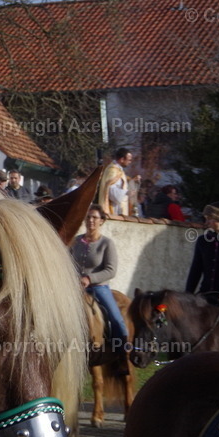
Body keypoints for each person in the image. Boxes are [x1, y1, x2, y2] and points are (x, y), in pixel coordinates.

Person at [70, 206, 128, 352]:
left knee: (115, 318)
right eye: (88, 217)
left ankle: (121, 350)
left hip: (99, 287)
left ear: (101, 221)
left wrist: (89, 278)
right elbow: (67, 263)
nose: (90, 220)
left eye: (94, 217)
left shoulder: (106, 244)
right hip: (75, 288)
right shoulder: (76, 241)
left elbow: (111, 270)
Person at [98, 148, 140, 216]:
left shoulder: (118, 170)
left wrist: (132, 180)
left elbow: (121, 182)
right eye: (129, 160)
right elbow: (110, 190)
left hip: (118, 208)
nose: (130, 162)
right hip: (113, 209)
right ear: (122, 159)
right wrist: (126, 192)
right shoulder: (112, 170)